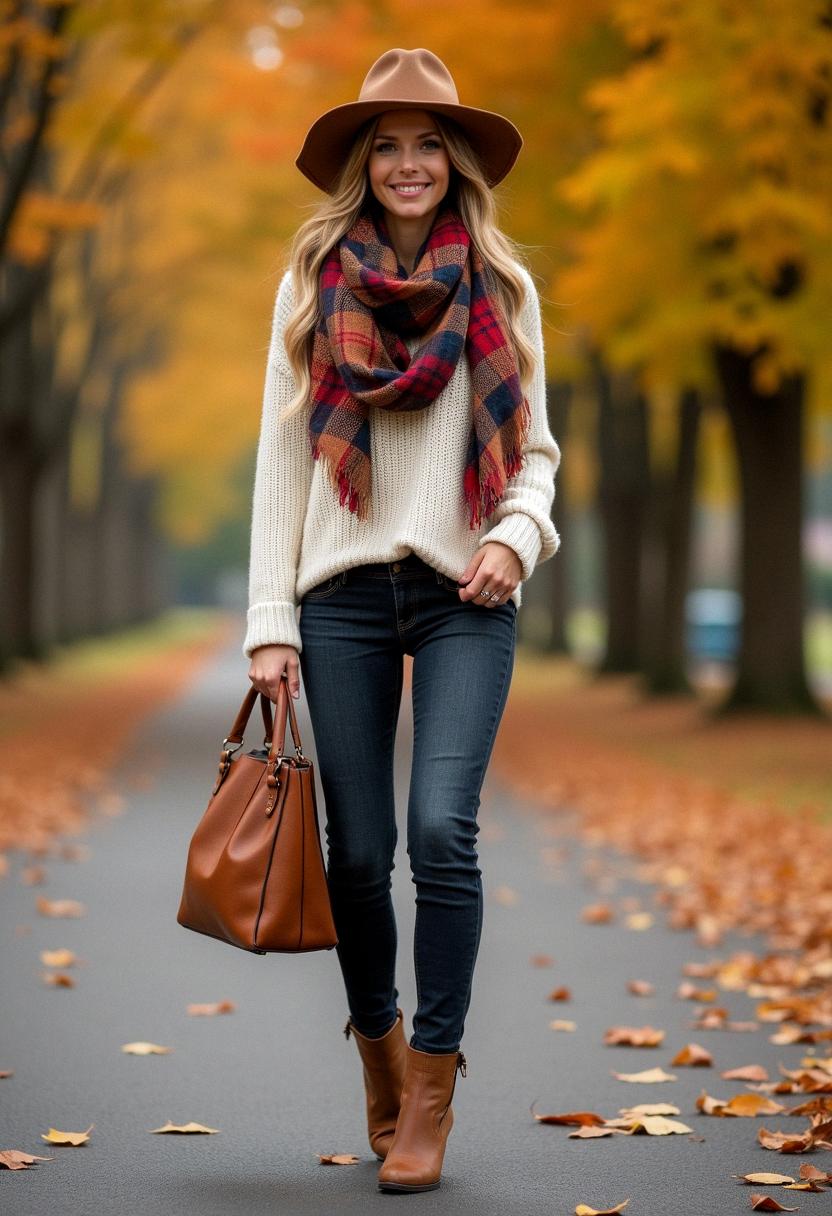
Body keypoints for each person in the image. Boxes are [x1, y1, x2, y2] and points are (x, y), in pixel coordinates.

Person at [244, 47, 562, 1194]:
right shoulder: (311, 279)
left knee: (442, 833)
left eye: (430, 143)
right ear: (360, 164)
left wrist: (510, 539)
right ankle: (377, 1048)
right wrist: (269, 618)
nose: (410, 163)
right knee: (361, 853)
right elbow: (284, 455)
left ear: (457, 161)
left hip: (463, 589)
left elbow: (532, 455)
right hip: (338, 597)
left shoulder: (503, 286)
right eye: (388, 144)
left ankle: (430, 1085)